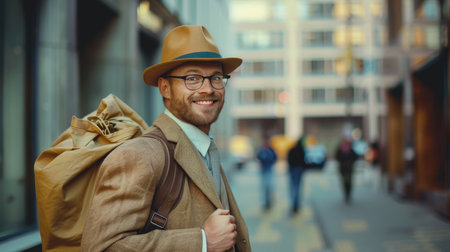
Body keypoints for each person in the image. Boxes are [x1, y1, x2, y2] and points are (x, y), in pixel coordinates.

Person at [81, 25, 251, 252]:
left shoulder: (206, 147)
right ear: (165, 88)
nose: (208, 89)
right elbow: (102, 247)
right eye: (192, 78)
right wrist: (201, 242)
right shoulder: (138, 155)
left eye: (216, 77)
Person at [286, 136, 307, 215]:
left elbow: (289, 159)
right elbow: (304, 161)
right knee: (297, 187)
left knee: (293, 187)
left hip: (293, 170)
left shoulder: (292, 150)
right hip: (299, 170)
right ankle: (296, 204)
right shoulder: (302, 150)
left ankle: (294, 203)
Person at [335, 137, 358, 204]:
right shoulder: (340, 150)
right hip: (342, 169)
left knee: (349, 182)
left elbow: (355, 157)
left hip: (349, 169)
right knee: (344, 182)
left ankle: (348, 194)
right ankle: (346, 194)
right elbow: (337, 157)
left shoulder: (351, 150)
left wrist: (350, 162)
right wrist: (342, 163)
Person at [256, 138, 277, 210]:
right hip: (263, 171)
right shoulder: (261, 151)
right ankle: (265, 202)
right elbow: (258, 157)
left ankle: (269, 201)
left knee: (270, 186)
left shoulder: (270, 150)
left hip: (269, 170)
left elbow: (274, 158)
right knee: (264, 188)